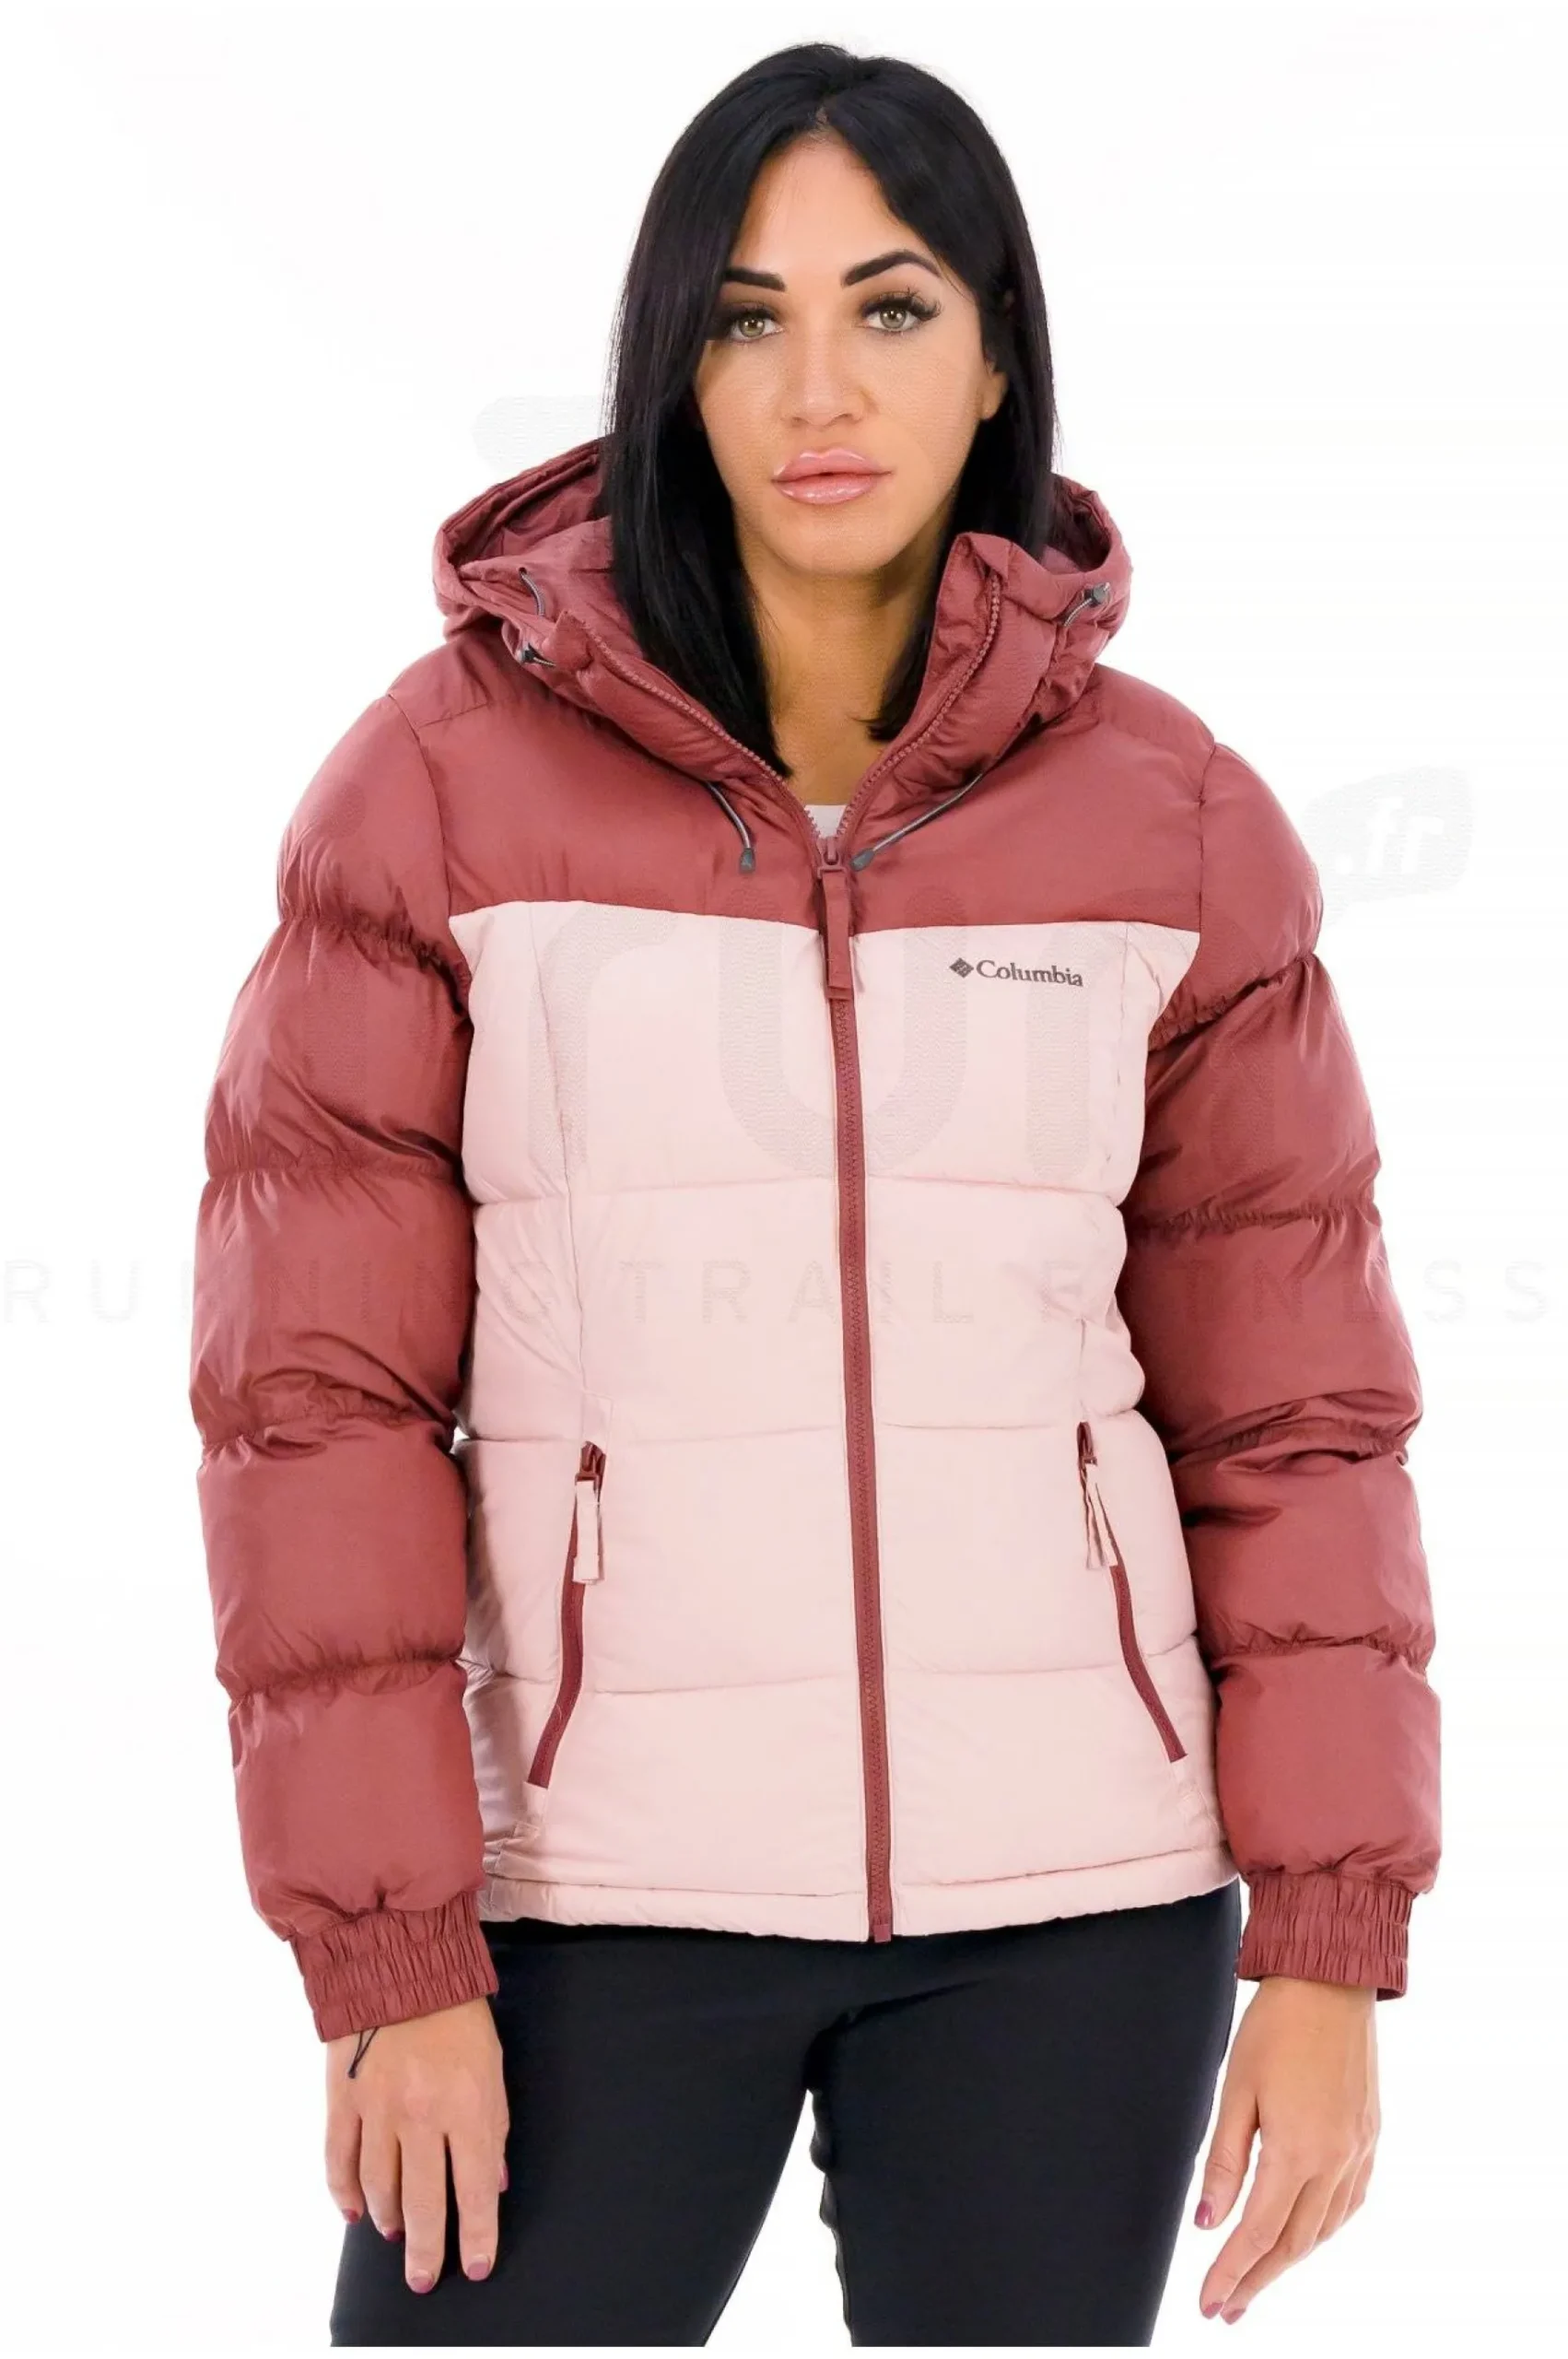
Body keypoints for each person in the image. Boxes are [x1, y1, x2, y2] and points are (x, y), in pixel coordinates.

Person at [187, 40, 1441, 2350]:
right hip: (581, 1892)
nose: (816, 388)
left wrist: (1326, 1936)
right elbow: (313, 1404)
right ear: (669, 365)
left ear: (995, 352)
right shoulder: (434, 796)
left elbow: (1295, 1420)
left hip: (1075, 1903)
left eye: (887, 306)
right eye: (743, 317)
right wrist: (384, 1951)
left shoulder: (1175, 827)